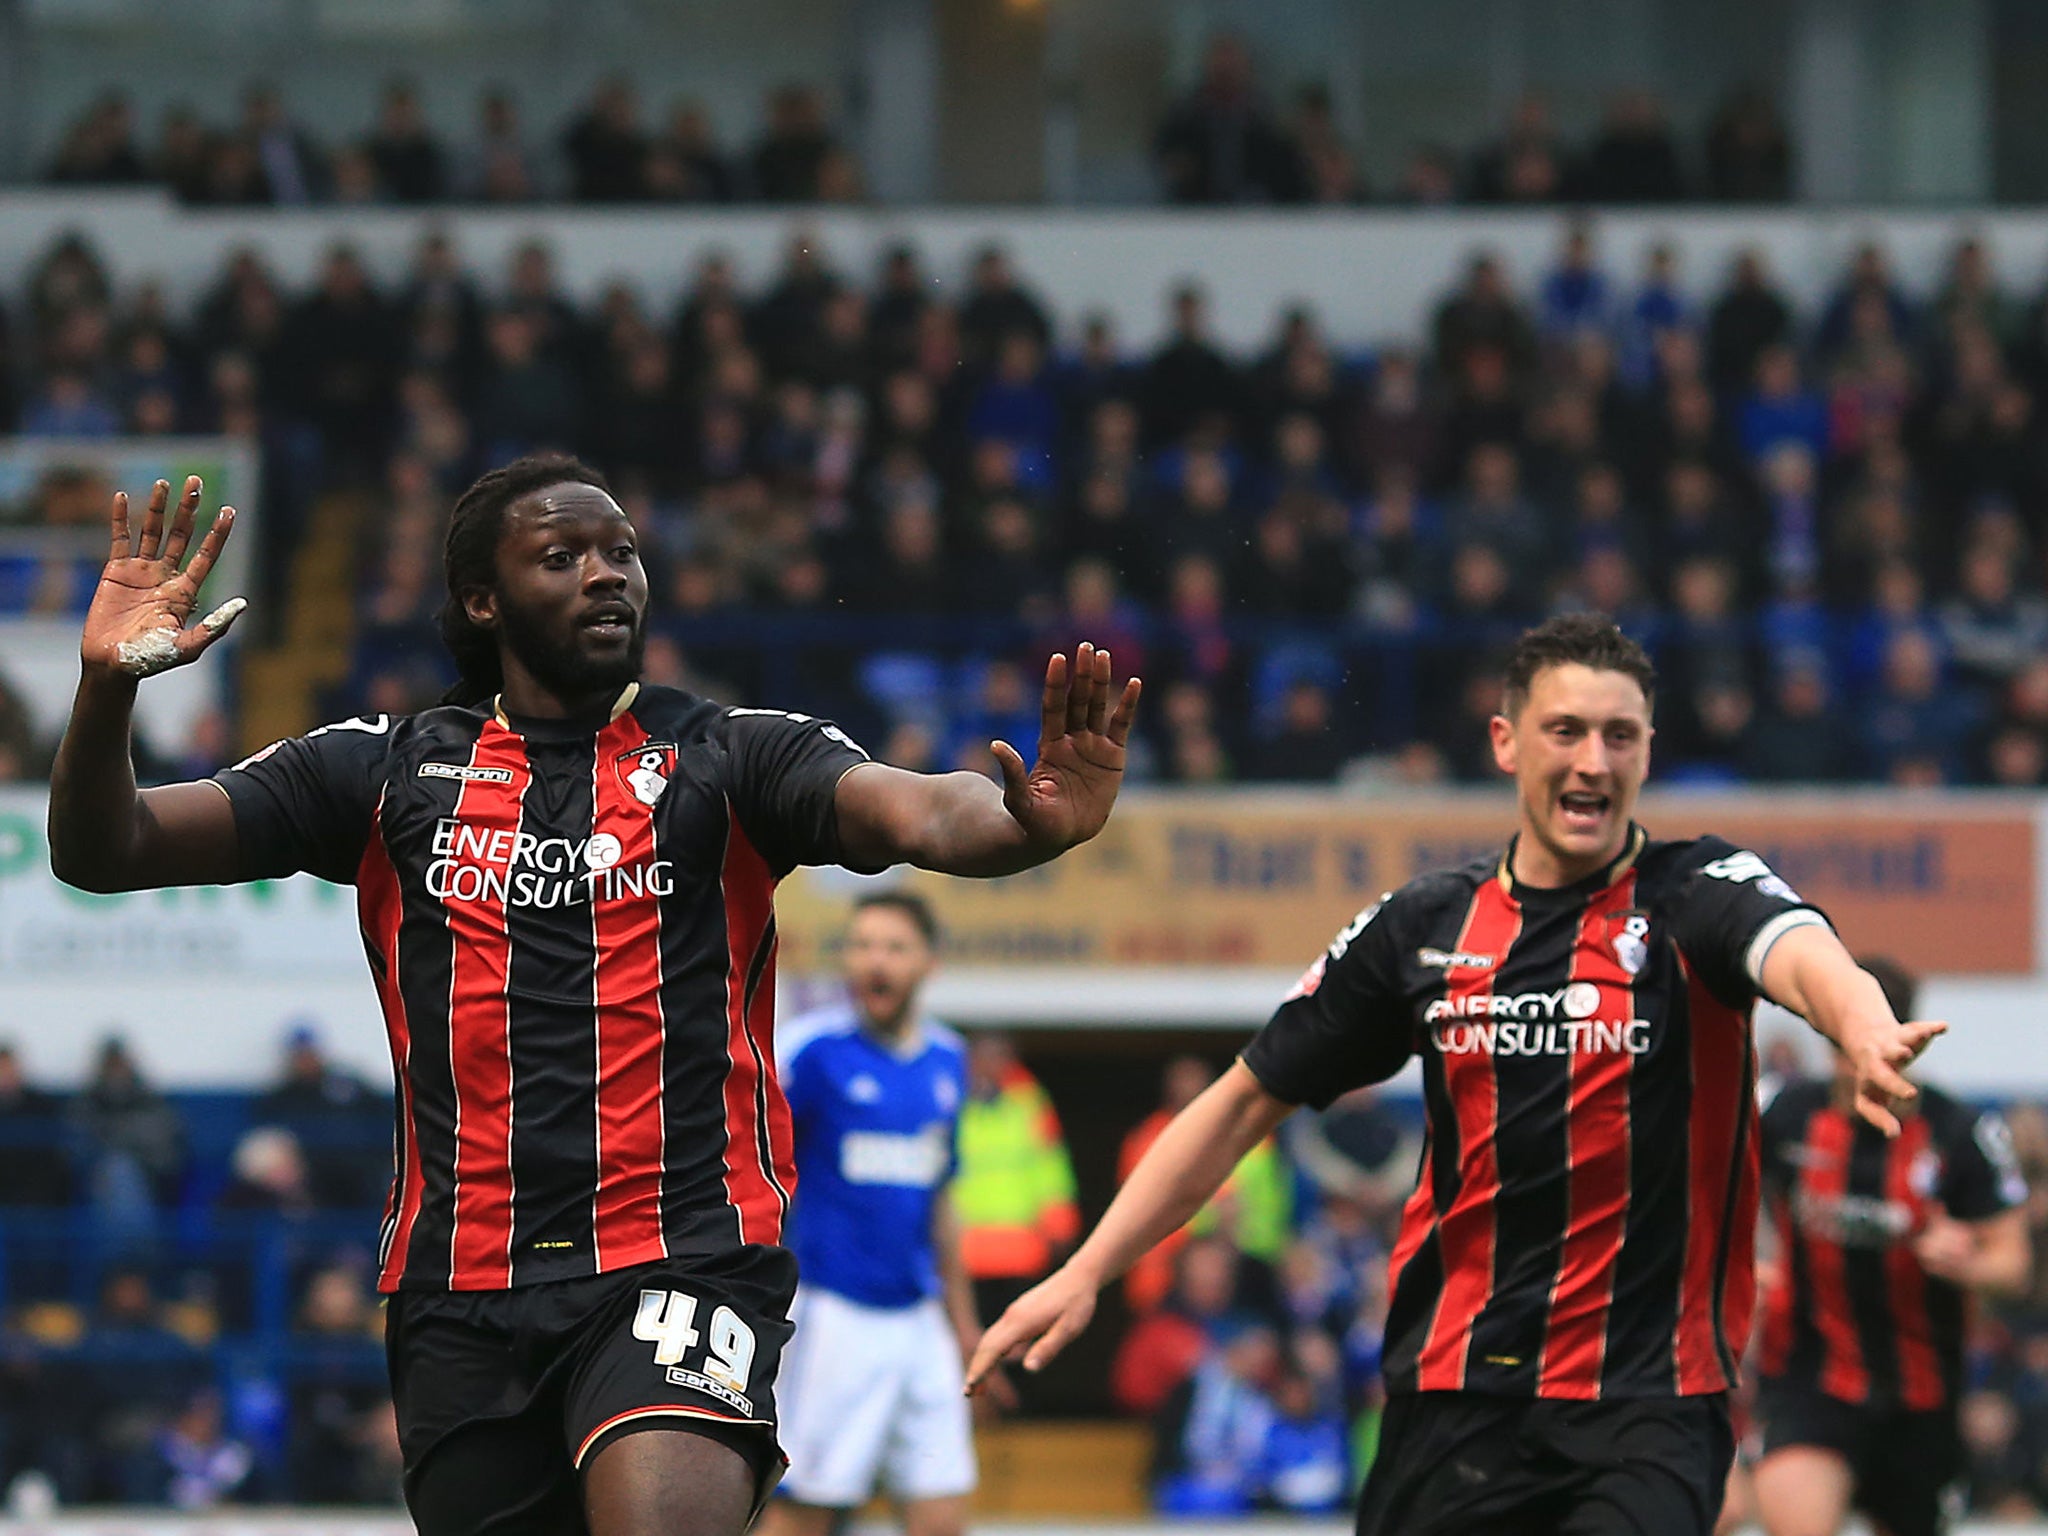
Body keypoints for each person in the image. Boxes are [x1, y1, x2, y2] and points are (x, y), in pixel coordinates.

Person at [47, 461, 1141, 1536]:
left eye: (621, 552)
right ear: (483, 599)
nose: (606, 574)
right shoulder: (382, 771)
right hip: (458, 1285)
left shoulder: (729, 754)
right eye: (561, 556)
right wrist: (106, 686)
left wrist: (1016, 825)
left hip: (682, 1259)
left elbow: (915, 811)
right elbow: (107, 848)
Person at [970, 613, 1943, 1536]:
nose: (1591, 761)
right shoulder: (1422, 926)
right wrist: (1087, 1271)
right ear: (1505, 742)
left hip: (1646, 1405)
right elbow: (1236, 1107)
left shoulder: (1696, 893)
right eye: (1564, 730)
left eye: (1618, 735)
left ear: (1646, 750)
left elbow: (1799, 947)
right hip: (1452, 1399)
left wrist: (1858, 1025)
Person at [1749, 957, 2030, 1536]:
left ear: (1907, 1046)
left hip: (1920, 1394)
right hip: (1809, 1376)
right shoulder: (1784, 1112)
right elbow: (1709, 1188)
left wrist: (1969, 1261)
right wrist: (1740, 1266)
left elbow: (2015, 1265)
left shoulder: (1961, 1134)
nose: (1852, 1070)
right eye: (1838, 1050)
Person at [762, 891, 982, 1536]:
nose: (873, 962)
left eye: (892, 947)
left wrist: (964, 1327)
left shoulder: (949, 1060)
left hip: (921, 1321)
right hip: (835, 1313)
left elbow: (941, 1199)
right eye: (860, 946)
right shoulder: (809, 1053)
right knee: (807, 1507)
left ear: (928, 964)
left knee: (942, 1508)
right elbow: (757, 1173)